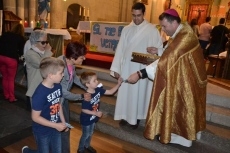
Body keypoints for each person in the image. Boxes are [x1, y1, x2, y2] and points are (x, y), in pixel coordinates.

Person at [127, 9, 207, 147]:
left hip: (187, 81)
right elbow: (172, 51)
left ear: (174, 22)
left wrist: (140, 74)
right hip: (188, 77)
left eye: (164, 26)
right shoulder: (183, 31)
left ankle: (179, 137)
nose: (163, 30)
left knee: (181, 107)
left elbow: (167, 61)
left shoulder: (185, 37)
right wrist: (158, 50)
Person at [110, 2, 163, 129]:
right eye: (133, 15)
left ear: (144, 14)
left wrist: (156, 51)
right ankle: (125, 115)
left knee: (139, 94)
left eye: (138, 15)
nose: (136, 18)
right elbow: (120, 49)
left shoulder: (152, 30)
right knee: (126, 92)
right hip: (127, 67)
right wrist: (116, 68)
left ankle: (136, 118)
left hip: (141, 69)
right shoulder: (126, 29)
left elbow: (161, 49)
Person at [22, 57, 67, 153]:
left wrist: (63, 122)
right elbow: (35, 117)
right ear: (50, 75)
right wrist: (55, 125)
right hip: (42, 131)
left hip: (55, 126)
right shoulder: (39, 94)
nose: (63, 75)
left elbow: (58, 105)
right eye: (61, 73)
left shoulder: (58, 86)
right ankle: (27, 151)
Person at [77, 71, 122, 153]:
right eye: (94, 80)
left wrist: (118, 84)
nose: (97, 81)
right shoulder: (87, 96)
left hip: (93, 117)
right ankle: (80, 149)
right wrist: (95, 113)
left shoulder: (98, 90)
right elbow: (84, 110)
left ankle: (87, 146)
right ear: (87, 84)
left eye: (96, 79)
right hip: (86, 119)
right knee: (86, 134)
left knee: (90, 133)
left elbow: (110, 92)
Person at [58, 41, 91, 153]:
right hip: (57, 102)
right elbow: (62, 92)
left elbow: (75, 78)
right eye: (82, 57)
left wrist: (86, 87)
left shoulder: (70, 64)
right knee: (63, 128)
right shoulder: (60, 66)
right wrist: (81, 96)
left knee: (65, 127)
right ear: (73, 57)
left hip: (63, 101)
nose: (84, 58)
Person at [24, 30, 53, 104]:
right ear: (35, 42)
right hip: (35, 88)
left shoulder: (42, 53)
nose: (45, 45)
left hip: (45, 86)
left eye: (46, 42)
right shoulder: (30, 53)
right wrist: (47, 52)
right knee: (37, 113)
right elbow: (41, 64)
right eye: (43, 42)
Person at [0, 23, 25, 102]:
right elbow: (22, 51)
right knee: (10, 79)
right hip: (11, 59)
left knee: (5, 77)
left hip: (1, 57)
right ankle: (11, 97)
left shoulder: (5, 34)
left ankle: (6, 95)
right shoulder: (20, 38)